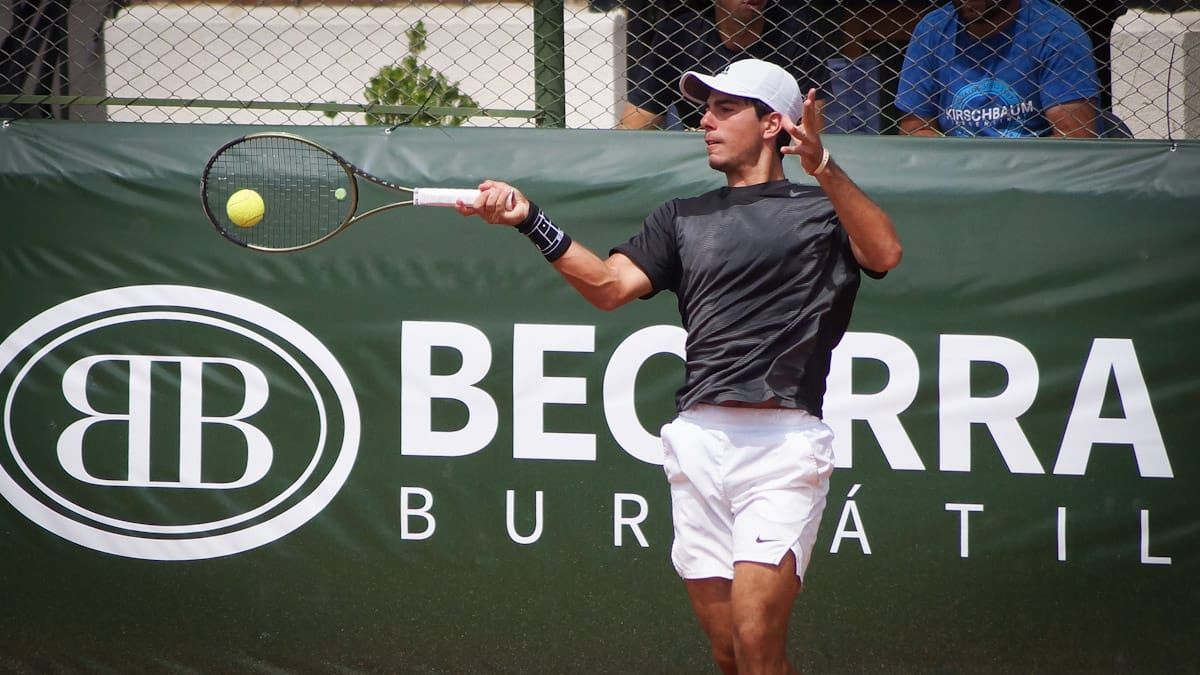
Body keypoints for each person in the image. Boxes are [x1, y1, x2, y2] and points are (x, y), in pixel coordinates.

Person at [458, 58, 902, 673]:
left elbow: (884, 252)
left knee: (755, 638)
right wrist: (530, 221)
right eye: (706, 107)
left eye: (725, 109)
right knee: (727, 653)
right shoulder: (681, 218)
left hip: (783, 446)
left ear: (774, 122)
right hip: (697, 444)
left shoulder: (823, 211)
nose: (706, 121)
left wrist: (822, 166)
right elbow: (610, 286)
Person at [895, 0, 1101, 137]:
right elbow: (915, 128)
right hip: (956, 172)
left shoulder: (1056, 33)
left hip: (1034, 175)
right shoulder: (932, 29)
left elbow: (1075, 138)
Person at [619, 0, 831, 131]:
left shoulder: (796, 33)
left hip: (772, 158)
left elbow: (811, 130)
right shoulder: (679, 35)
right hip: (702, 156)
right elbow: (637, 123)